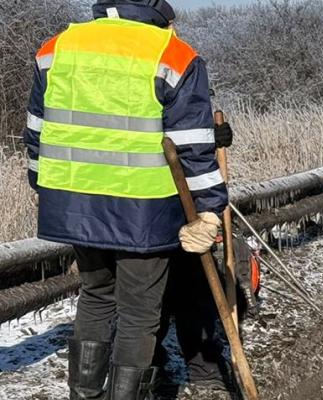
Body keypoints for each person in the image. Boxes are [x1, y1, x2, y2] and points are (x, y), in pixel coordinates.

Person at [23, 1, 226, 398]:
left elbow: (36, 130)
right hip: (143, 209)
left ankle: (85, 395)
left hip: (74, 201)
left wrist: (43, 184)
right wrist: (208, 211)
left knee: (96, 296)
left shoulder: (57, 47)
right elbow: (193, 148)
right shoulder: (173, 54)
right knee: (138, 314)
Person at [154, 123, 237, 397]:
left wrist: (210, 137)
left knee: (195, 283)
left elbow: (185, 128)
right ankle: (152, 366)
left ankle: (204, 367)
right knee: (152, 294)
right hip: (147, 203)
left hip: (187, 203)